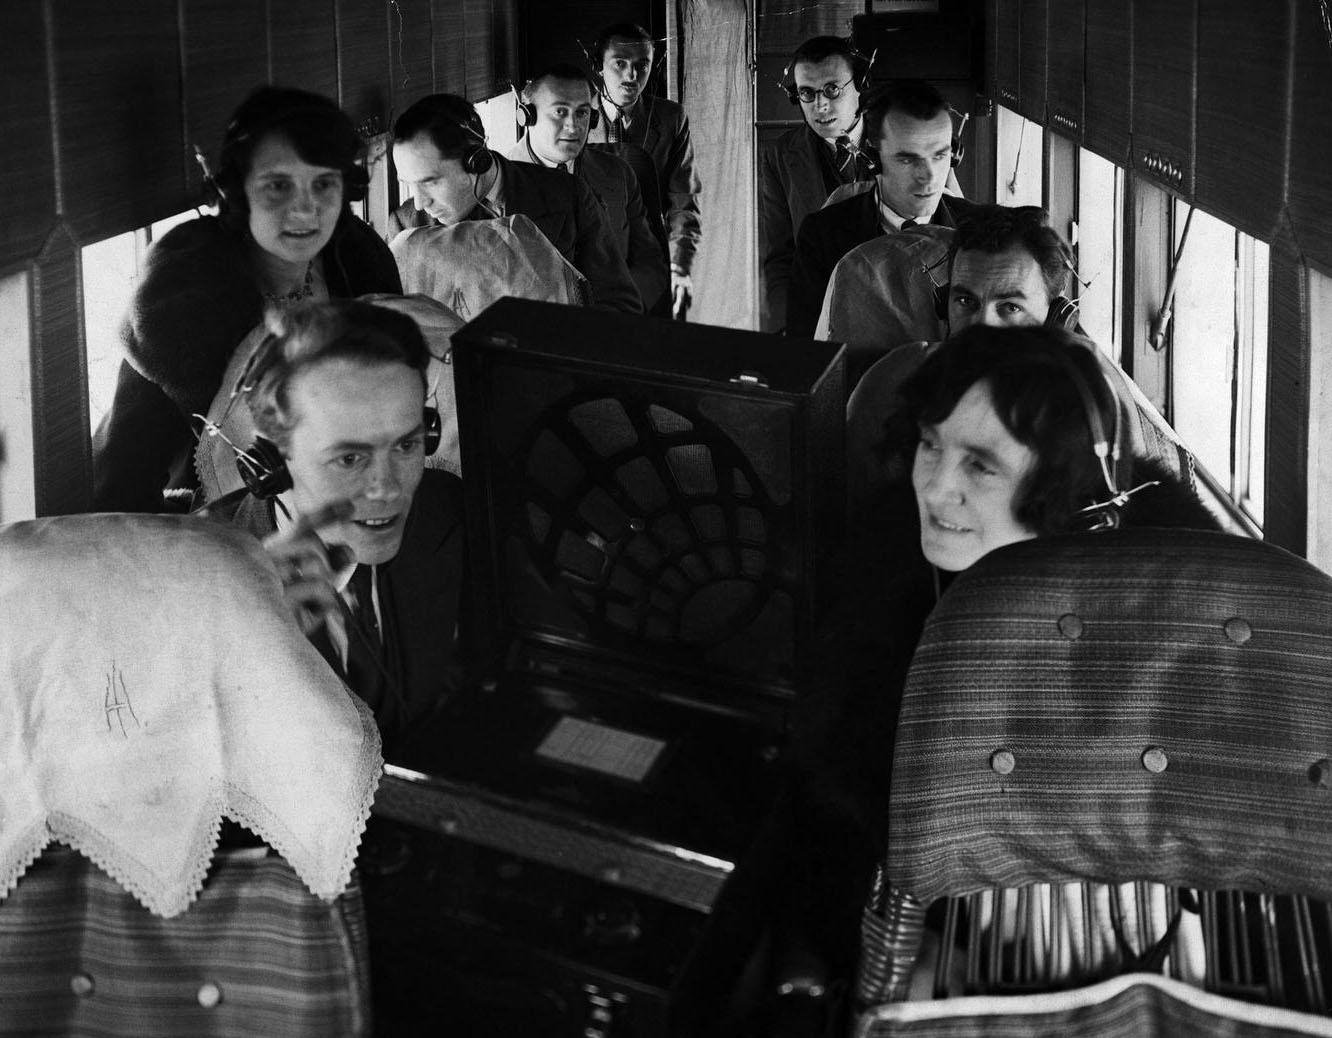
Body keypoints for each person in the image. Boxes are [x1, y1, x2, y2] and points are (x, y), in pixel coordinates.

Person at [771, 325, 1219, 1030]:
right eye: (929, 445)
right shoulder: (884, 578)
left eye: (980, 466)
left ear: (1068, 491)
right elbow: (831, 810)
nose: (936, 487)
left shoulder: (1166, 633)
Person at [91, 86, 403, 514]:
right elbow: (121, 490)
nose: (305, 211)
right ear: (238, 190)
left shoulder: (365, 266)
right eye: (278, 186)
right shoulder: (180, 311)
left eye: (323, 184)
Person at [209, 299, 467, 759]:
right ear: (270, 461)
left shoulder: (455, 513)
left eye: (407, 445)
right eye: (350, 458)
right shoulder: (200, 582)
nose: (387, 488)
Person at [388, 93, 642, 314]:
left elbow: (620, 305)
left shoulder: (567, 195)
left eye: (430, 182)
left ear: (476, 160)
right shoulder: (408, 226)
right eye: (409, 184)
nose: (420, 203)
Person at [786, 80, 978, 339]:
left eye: (940, 156)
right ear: (872, 159)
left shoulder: (980, 230)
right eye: (908, 159)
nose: (930, 177)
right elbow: (807, 349)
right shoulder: (823, 235)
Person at [507, 64, 669, 313]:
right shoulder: (500, 189)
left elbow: (650, 264)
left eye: (582, 113)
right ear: (526, 116)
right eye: (560, 112)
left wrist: (615, 318)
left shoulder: (619, 173)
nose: (573, 126)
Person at [758, 36, 876, 333]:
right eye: (807, 93)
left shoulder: (900, 137)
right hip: (819, 320)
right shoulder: (779, 156)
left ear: (860, 85)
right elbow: (780, 257)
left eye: (832, 89)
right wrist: (786, 330)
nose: (820, 105)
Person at [585, 21, 701, 318]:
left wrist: (680, 267)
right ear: (599, 66)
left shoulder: (671, 118)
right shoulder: (576, 119)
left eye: (642, 64)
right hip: (594, 262)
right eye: (620, 64)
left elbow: (683, 200)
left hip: (655, 261)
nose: (632, 75)